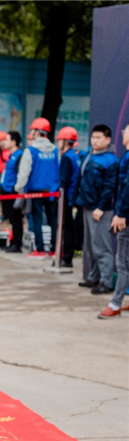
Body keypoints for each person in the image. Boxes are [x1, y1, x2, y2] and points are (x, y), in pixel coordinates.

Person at [74, 124, 119, 295]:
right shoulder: (90, 155)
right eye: (93, 137)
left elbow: (110, 187)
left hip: (101, 210)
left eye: (99, 138)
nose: (95, 140)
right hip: (87, 206)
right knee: (90, 246)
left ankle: (106, 282)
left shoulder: (111, 160)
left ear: (108, 140)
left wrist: (101, 207)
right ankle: (93, 277)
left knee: (101, 246)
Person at [15, 117, 60, 259]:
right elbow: (58, 170)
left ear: (36, 132)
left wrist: (19, 189)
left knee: (37, 220)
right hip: (52, 192)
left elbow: (24, 173)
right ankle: (53, 249)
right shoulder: (55, 150)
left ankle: (40, 250)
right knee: (52, 220)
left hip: (35, 192)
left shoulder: (31, 151)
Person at [98, 122, 129, 318]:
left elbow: (127, 189)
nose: (123, 131)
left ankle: (115, 303)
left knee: (123, 262)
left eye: (126, 129)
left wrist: (121, 213)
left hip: (125, 216)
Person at [56, 126, 82, 268]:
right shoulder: (74, 155)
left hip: (66, 198)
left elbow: (64, 180)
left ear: (66, 141)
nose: (58, 142)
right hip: (72, 197)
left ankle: (66, 258)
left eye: (60, 140)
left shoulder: (67, 157)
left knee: (66, 228)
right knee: (69, 228)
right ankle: (67, 257)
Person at [0, 131, 24, 253]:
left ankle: (17, 244)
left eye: (7, 139)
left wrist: (15, 190)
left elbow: (20, 175)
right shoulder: (12, 155)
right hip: (7, 192)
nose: (5, 142)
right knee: (12, 219)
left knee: (16, 219)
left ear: (14, 142)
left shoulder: (20, 155)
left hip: (13, 193)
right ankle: (13, 242)